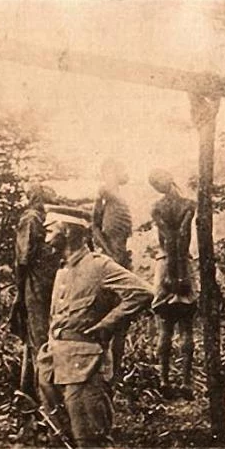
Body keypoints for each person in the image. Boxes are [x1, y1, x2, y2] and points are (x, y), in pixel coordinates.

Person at [36, 205, 152, 449]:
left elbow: (143, 292)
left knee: (94, 444)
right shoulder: (62, 271)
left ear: (70, 230)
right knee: (72, 443)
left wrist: (106, 326)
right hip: (58, 365)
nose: (47, 234)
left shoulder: (99, 266)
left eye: (50, 228)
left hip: (87, 366)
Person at [148, 169, 199, 395]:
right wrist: (181, 274)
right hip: (183, 264)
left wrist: (170, 271)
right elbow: (182, 237)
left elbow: (168, 238)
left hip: (164, 264)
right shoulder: (188, 205)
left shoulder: (157, 208)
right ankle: (186, 382)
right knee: (186, 327)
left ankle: (164, 381)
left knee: (165, 328)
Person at [11, 185, 61, 397]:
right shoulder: (31, 219)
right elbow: (24, 260)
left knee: (44, 339)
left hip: (48, 286)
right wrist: (20, 294)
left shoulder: (44, 219)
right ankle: (40, 398)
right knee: (39, 340)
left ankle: (34, 392)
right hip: (37, 286)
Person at [91, 159, 134, 378]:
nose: (125, 173)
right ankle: (104, 372)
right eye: (121, 169)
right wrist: (109, 252)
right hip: (112, 260)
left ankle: (115, 372)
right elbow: (95, 226)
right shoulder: (105, 191)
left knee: (122, 317)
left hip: (122, 259)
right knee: (109, 316)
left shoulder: (116, 196)